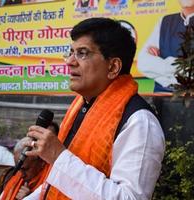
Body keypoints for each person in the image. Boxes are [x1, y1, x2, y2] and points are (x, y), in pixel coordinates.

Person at [23, 17, 165, 200]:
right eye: (71, 52)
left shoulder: (140, 122)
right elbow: (55, 184)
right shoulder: (83, 106)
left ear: (113, 67)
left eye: (82, 53)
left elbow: (129, 197)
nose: (70, 62)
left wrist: (58, 157)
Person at [137, 0, 194, 92]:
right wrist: (180, 69)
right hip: (162, 99)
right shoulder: (165, 21)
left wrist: (161, 66)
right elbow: (143, 63)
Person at [0, 122, 59, 200]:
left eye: (26, 169)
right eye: (19, 168)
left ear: (42, 162)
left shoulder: (53, 178)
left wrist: (30, 197)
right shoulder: (15, 177)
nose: (22, 174)